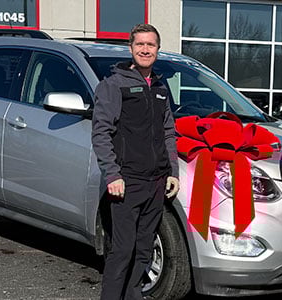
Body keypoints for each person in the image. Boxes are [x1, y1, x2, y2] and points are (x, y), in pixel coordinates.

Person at [91, 23, 180, 300]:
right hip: (127, 182)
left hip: (156, 183)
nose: (145, 49)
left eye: (150, 45)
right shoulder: (114, 85)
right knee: (122, 249)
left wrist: (172, 172)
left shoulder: (161, 88)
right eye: (140, 44)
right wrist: (112, 175)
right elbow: (101, 132)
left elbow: (168, 132)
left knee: (143, 248)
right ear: (131, 48)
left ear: (157, 49)